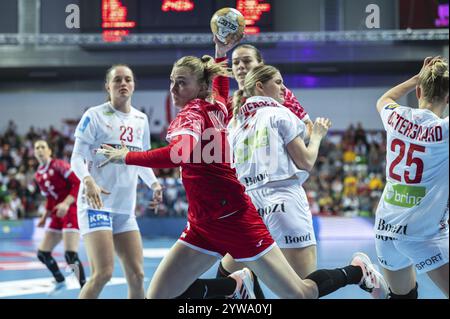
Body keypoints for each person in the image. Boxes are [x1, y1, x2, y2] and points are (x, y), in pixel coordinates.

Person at [98, 55, 388, 299]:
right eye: (172, 81)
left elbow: (178, 154)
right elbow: (222, 89)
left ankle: (357, 271)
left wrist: (126, 156)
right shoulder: (219, 107)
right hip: (202, 224)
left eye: (181, 82)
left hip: (237, 220)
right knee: (158, 295)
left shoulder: (192, 116)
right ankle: (237, 286)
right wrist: (222, 51)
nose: (173, 88)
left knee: (300, 293)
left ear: (200, 86)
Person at [211, 36, 316, 297]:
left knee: (297, 284)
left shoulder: (278, 96)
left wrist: (288, 170)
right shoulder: (232, 104)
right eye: (235, 63)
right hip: (247, 197)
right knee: (235, 273)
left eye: (246, 61)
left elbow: (307, 127)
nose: (240, 67)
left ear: (260, 66)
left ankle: (356, 273)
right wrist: (219, 54)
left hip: (280, 191)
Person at [226, 64, 328, 289]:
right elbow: (307, 161)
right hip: (284, 200)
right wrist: (318, 136)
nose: (284, 89)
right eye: (279, 82)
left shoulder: (235, 126)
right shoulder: (281, 114)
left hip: (249, 206)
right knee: (305, 286)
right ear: (261, 87)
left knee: (232, 274)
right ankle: (357, 272)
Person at [70, 64, 163, 299]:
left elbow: (141, 159)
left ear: (133, 85)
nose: (123, 83)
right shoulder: (94, 115)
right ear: (108, 86)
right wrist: (88, 179)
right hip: (96, 206)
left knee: (137, 275)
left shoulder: (141, 119)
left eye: (128, 79)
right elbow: (77, 157)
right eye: (117, 80)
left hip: (125, 210)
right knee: (103, 273)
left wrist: (154, 184)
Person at [374, 56, 449, 299]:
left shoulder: (396, 117)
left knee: (403, 297)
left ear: (418, 91)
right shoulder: (445, 130)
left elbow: (384, 99)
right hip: (422, 234)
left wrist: (416, 78)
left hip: (386, 228)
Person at [34, 140, 86, 294]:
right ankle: (60, 281)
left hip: (70, 209)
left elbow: (78, 183)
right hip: (57, 213)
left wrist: (66, 203)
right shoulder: (38, 174)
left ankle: (85, 288)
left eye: (43, 147)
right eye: (37, 148)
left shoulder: (59, 165)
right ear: (34, 153)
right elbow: (50, 198)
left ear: (49, 151)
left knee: (70, 254)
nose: (40, 150)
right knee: (42, 253)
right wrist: (45, 216)